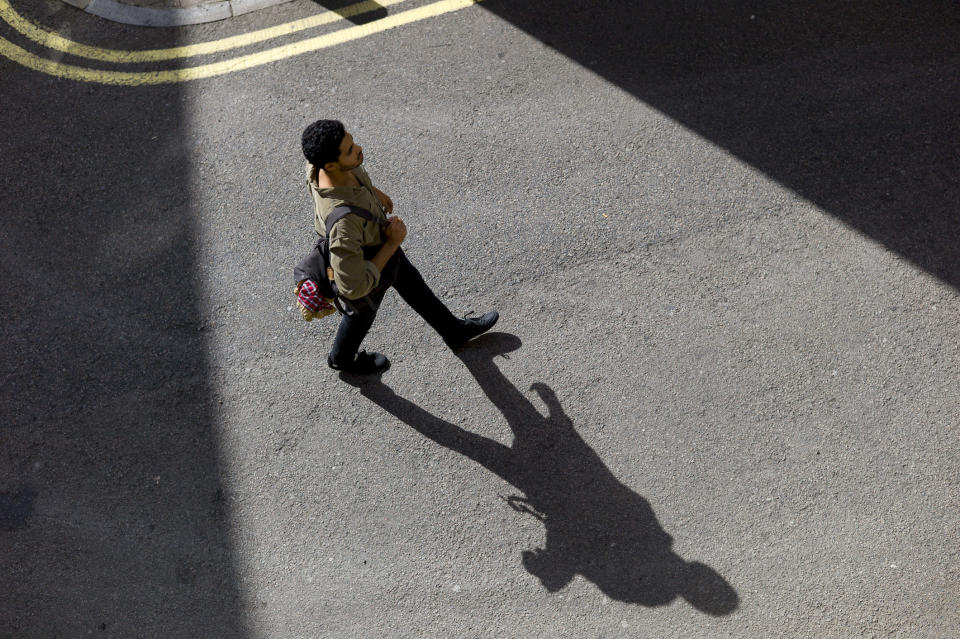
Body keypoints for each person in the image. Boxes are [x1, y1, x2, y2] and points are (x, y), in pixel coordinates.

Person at [301, 119, 498, 374]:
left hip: (378, 240)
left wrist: (373, 192)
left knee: (413, 284)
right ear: (330, 165)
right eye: (350, 150)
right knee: (361, 312)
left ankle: (453, 331)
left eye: (353, 140)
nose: (359, 148)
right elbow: (353, 287)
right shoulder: (344, 225)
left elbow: (352, 182)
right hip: (369, 258)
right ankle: (341, 358)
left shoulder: (322, 165)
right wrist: (391, 244)